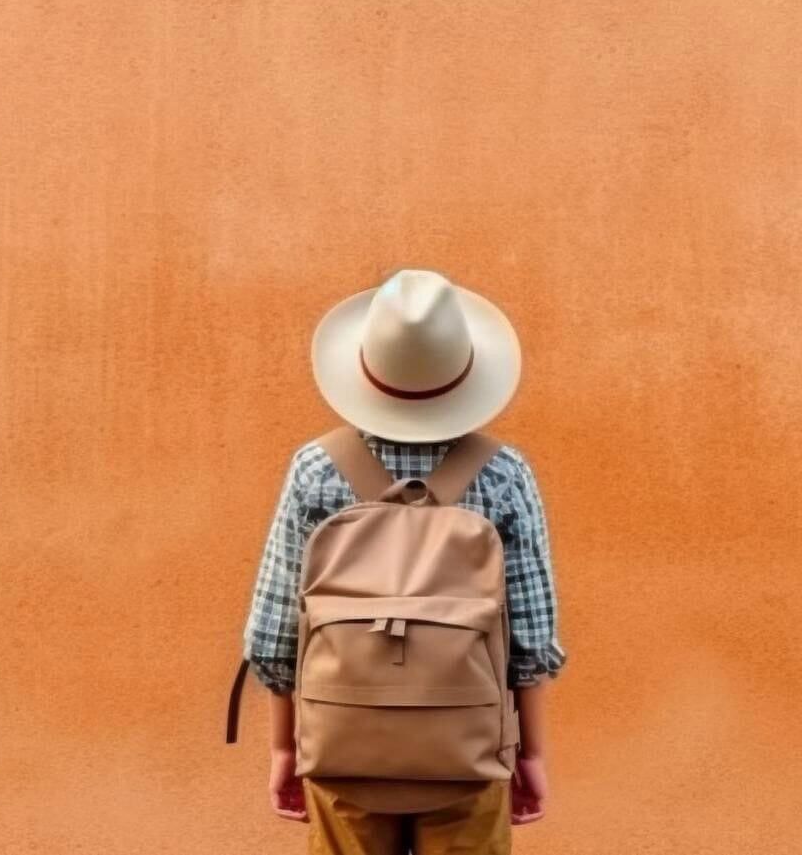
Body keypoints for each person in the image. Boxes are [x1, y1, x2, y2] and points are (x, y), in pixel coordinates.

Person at [242, 268, 567, 853]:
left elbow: (273, 636)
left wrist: (286, 749)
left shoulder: (315, 469)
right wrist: (532, 754)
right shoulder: (503, 474)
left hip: (343, 742)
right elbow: (532, 640)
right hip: (467, 749)